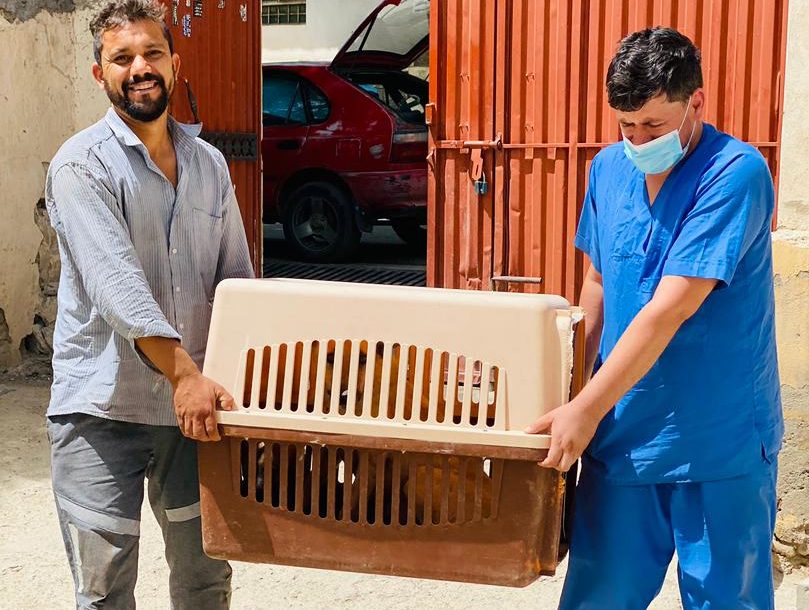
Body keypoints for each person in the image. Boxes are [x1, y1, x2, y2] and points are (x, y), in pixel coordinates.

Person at [526, 28, 783, 609]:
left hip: (719, 442)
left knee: (725, 601)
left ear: (697, 102)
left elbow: (669, 308)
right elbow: (596, 283)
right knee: (598, 599)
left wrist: (585, 407)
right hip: (623, 436)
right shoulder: (608, 170)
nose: (638, 141)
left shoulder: (735, 173)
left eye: (654, 127)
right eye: (626, 125)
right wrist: (566, 393)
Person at [44, 0, 254, 607]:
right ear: (99, 74)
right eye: (123, 57)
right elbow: (118, 289)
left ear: (174, 63)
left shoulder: (209, 165)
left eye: (152, 53)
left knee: (206, 580)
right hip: (100, 414)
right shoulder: (81, 165)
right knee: (105, 590)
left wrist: (234, 384)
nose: (141, 68)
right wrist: (186, 373)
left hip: (193, 421)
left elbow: (235, 281)